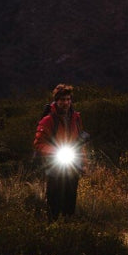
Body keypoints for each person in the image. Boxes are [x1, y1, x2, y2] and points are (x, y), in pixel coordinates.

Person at [33, 84, 88, 219]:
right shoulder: (47, 120)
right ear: (56, 101)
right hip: (55, 164)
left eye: (68, 99)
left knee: (71, 196)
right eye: (62, 100)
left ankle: (68, 225)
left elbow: (80, 141)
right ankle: (53, 225)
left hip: (73, 163)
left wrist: (84, 162)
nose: (66, 103)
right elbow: (38, 143)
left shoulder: (76, 118)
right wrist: (55, 151)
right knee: (54, 197)